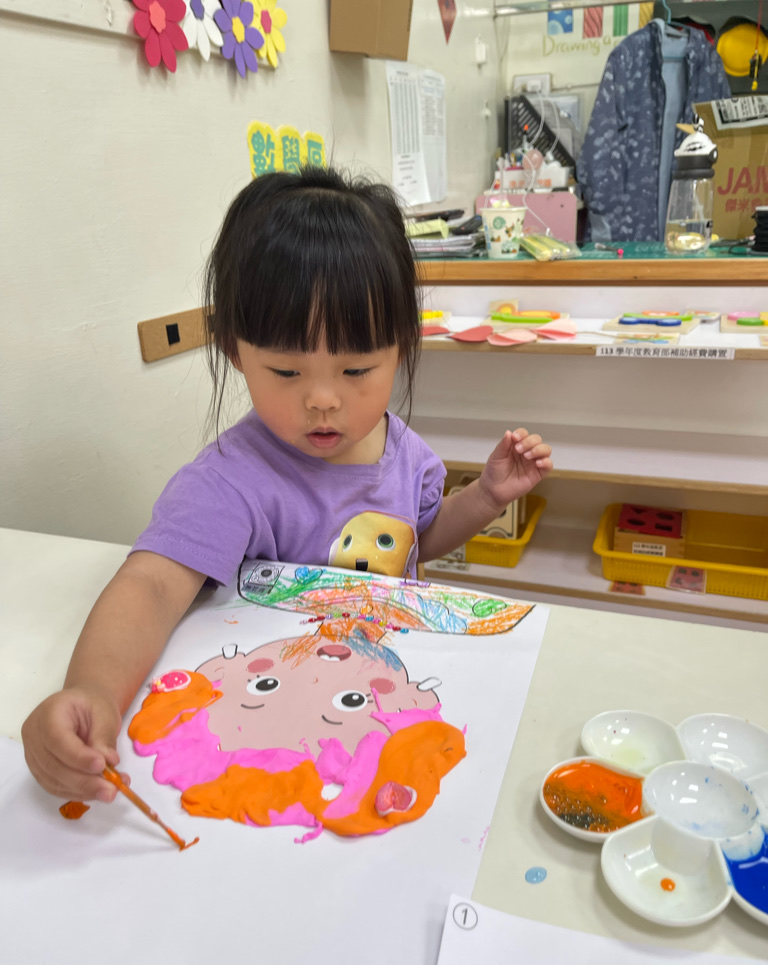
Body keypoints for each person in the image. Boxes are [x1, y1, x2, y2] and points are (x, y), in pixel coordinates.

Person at [21, 164, 552, 804]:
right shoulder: (233, 481)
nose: (323, 400)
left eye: (356, 370)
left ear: (402, 348)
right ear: (233, 350)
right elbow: (152, 586)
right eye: (286, 372)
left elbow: (418, 540)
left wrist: (485, 498)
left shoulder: (403, 449)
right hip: (281, 724)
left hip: (384, 701)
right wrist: (92, 691)